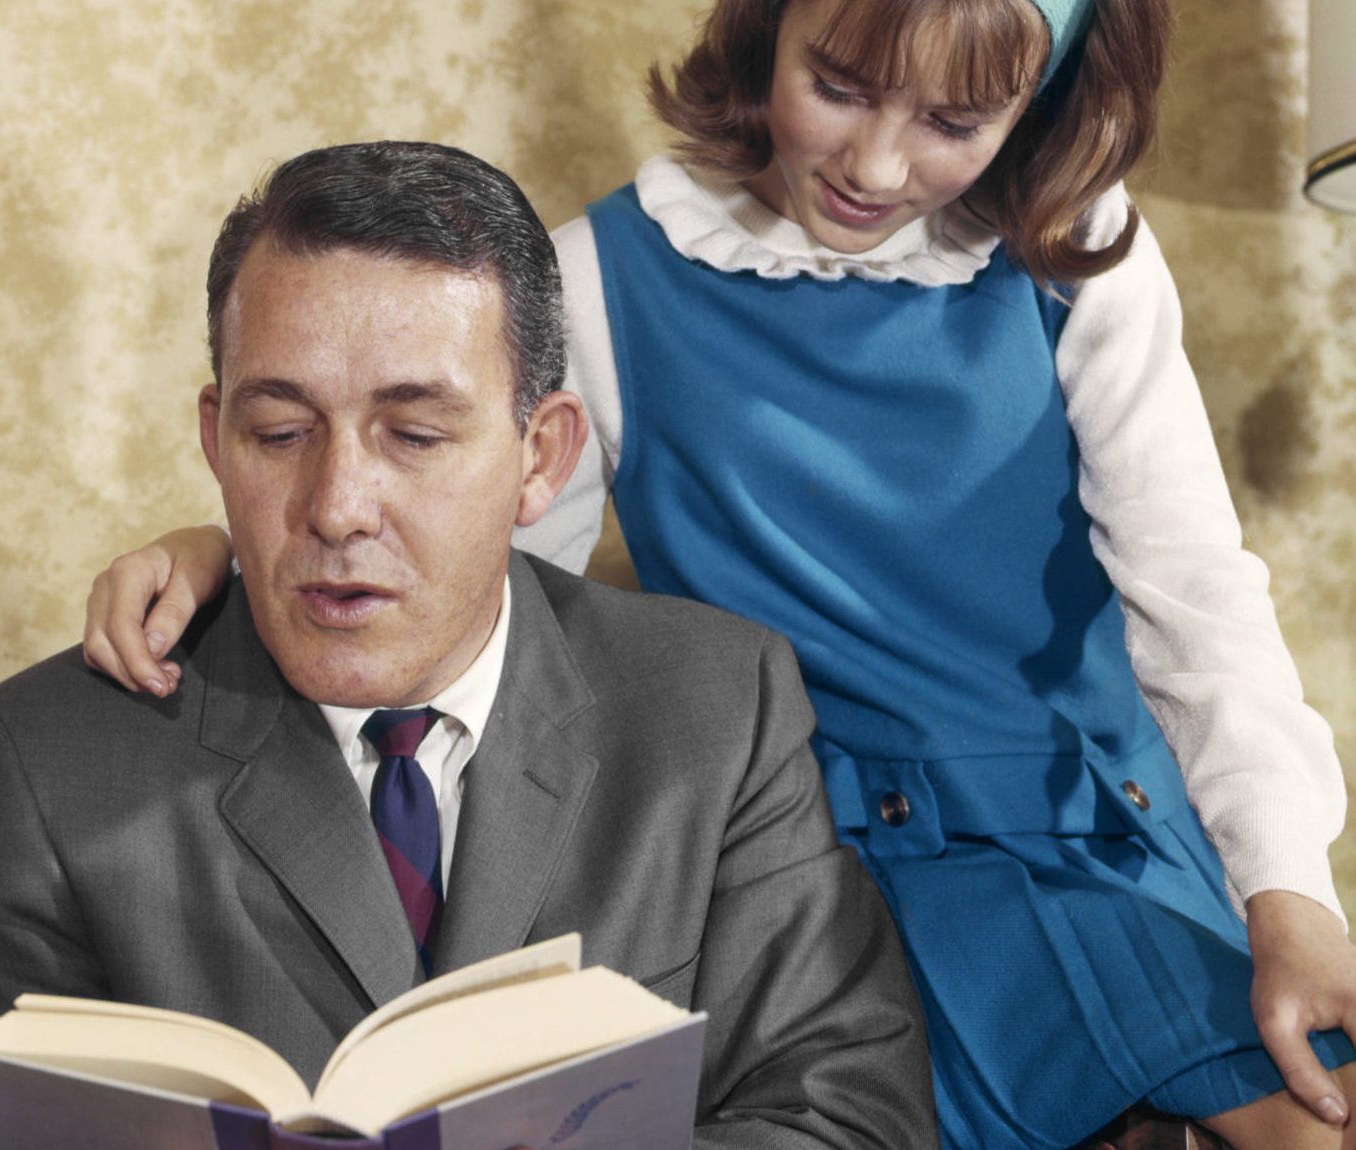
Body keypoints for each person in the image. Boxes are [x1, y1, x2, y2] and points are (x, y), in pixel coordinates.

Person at [91, 1, 1356, 1146]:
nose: (874, 166)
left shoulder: (1077, 250)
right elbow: (476, 589)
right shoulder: (602, 277)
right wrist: (234, 555)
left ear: (1040, 100)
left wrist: (1290, 893)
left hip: (1103, 835)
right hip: (829, 875)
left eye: (953, 122)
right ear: (766, 25)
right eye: (839, 86)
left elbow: (1194, 591)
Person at [0, 140, 934, 1150]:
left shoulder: (717, 707)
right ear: (216, 439)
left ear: (541, 457)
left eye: (413, 436)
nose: (337, 507)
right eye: (279, 434)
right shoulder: (37, 765)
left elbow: (851, 1121)